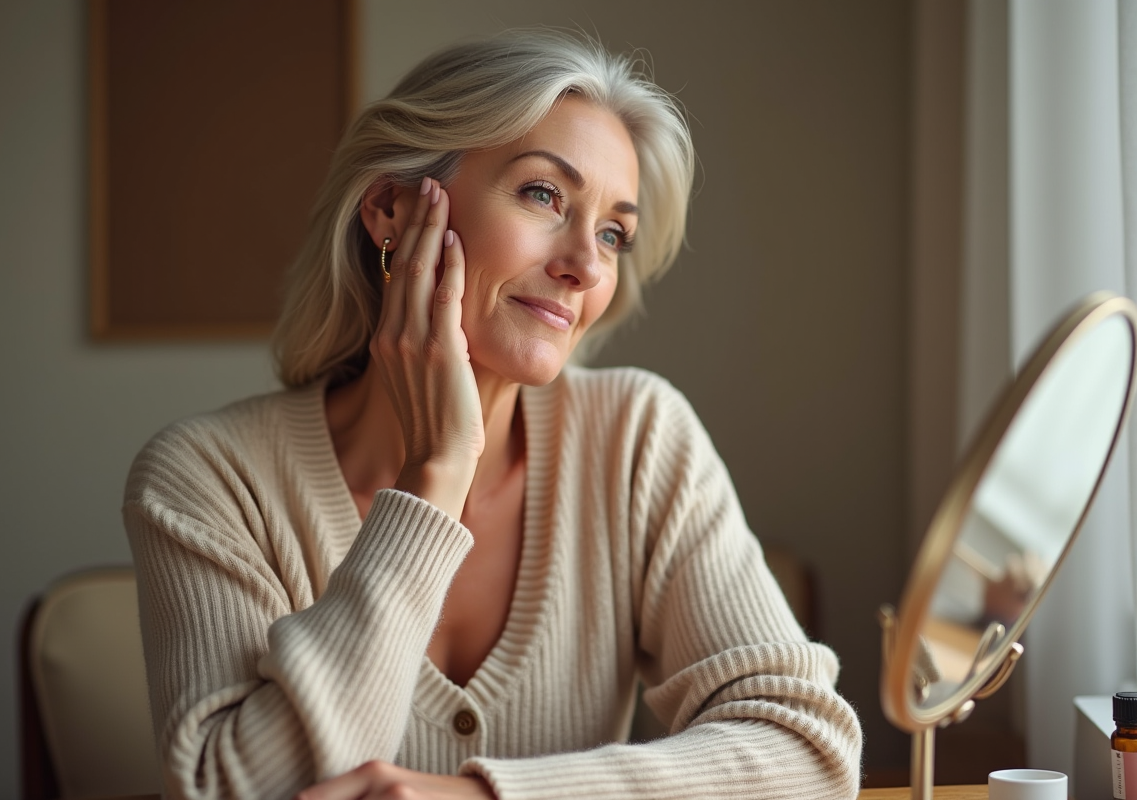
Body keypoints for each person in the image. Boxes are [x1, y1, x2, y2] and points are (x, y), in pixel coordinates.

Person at [124, 30, 863, 800]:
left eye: (614, 232)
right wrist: (434, 475)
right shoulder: (209, 476)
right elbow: (230, 791)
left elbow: (809, 753)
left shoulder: (638, 438)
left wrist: (482, 798)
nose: (586, 265)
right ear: (390, 209)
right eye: (544, 194)